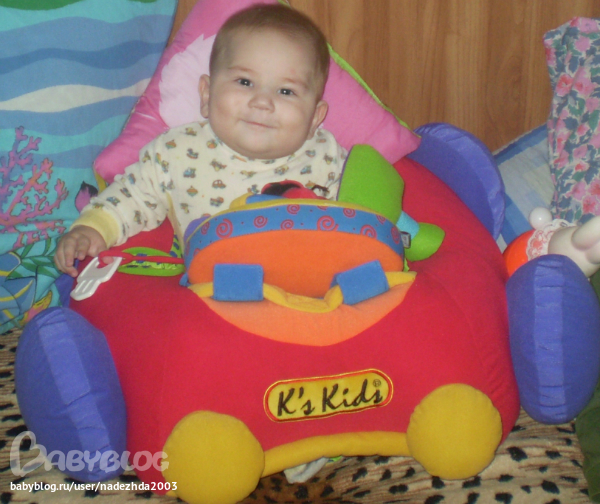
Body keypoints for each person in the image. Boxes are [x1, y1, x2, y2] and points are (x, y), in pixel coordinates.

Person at [55, 3, 347, 277]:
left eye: (286, 91)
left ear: (315, 118)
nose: (262, 102)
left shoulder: (328, 157)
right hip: (209, 291)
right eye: (245, 82)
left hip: (306, 288)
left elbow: (359, 217)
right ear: (206, 95)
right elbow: (131, 198)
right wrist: (92, 230)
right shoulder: (177, 152)